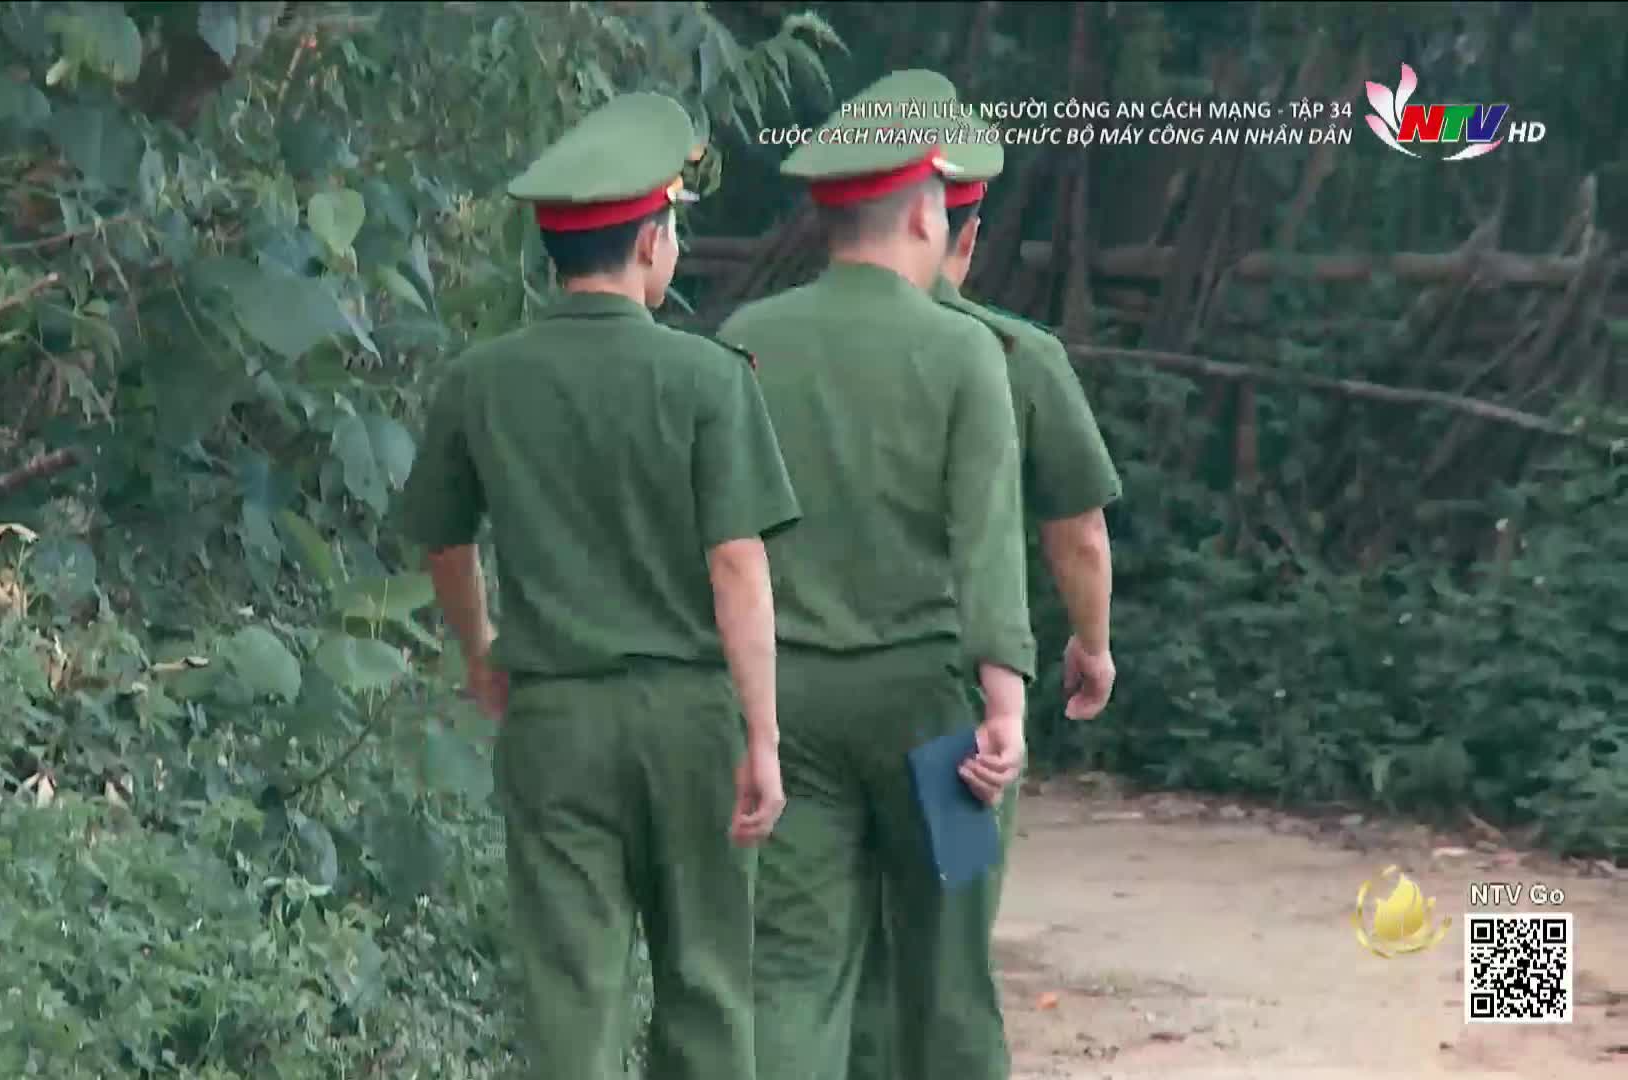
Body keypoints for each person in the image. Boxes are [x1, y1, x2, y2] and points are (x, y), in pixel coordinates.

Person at [394, 92, 802, 1080]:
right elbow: (738, 563)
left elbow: (442, 538)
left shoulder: (482, 381)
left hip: (558, 719)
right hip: (694, 722)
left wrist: (482, 648)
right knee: (707, 979)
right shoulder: (709, 380)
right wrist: (763, 733)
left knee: (573, 988)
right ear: (654, 239)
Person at [719, 70, 1035, 1080]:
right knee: (949, 974)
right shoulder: (965, 352)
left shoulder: (742, 344)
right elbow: (987, 543)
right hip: (935, 715)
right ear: (921, 215)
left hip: (790, 708)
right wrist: (1005, 711)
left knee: (792, 974)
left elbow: (722, 544)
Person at [843, 91, 1125, 1080]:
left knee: (840, 958)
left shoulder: (790, 342)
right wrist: (1090, 647)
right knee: (950, 955)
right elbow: (1078, 536)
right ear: (965, 229)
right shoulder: (1018, 357)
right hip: (955, 712)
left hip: (805, 697)